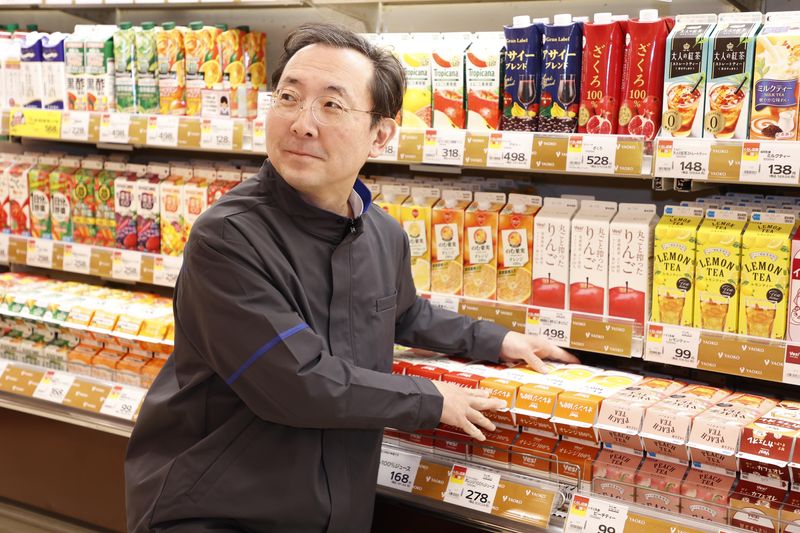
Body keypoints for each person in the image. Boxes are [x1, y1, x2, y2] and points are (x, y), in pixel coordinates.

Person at [124, 23, 577, 533]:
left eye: (332, 105)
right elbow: (297, 383)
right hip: (217, 512)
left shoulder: (382, 233)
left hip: (334, 510)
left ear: (380, 135)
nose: (302, 123)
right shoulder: (228, 237)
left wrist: (498, 341)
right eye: (289, 97)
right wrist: (430, 400)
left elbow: (402, 312)